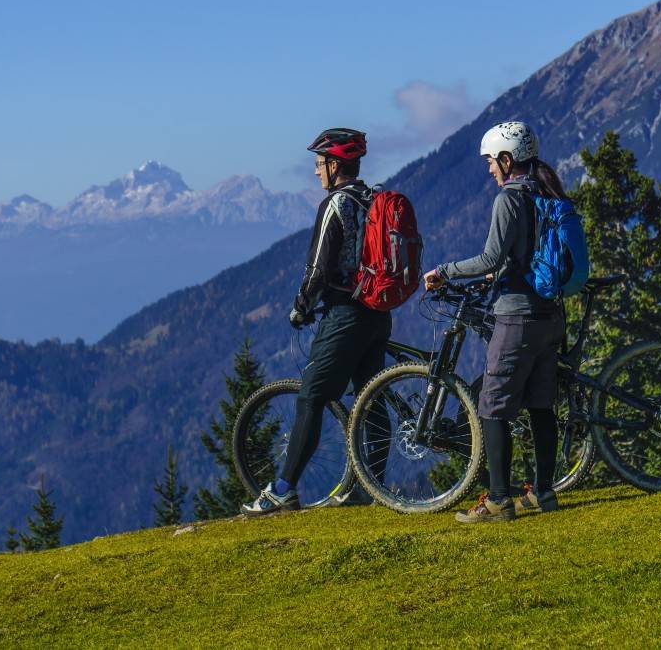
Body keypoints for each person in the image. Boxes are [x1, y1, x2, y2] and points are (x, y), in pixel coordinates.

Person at [241, 128, 392, 516]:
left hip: (345, 315)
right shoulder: (373, 199)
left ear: (334, 164)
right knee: (369, 398)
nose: (314, 172)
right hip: (378, 313)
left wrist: (301, 307)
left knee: (310, 397)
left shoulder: (336, 205)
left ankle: (283, 489)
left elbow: (319, 267)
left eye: (318, 163)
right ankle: (370, 486)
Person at [423, 121, 567, 523]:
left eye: (490, 161)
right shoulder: (547, 193)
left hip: (517, 317)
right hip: (551, 314)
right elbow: (522, 257)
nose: (489, 169)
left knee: (493, 405)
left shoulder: (509, 199)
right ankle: (543, 493)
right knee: (541, 406)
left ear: (507, 159)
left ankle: (499, 500)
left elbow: (490, 258)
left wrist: (446, 270)